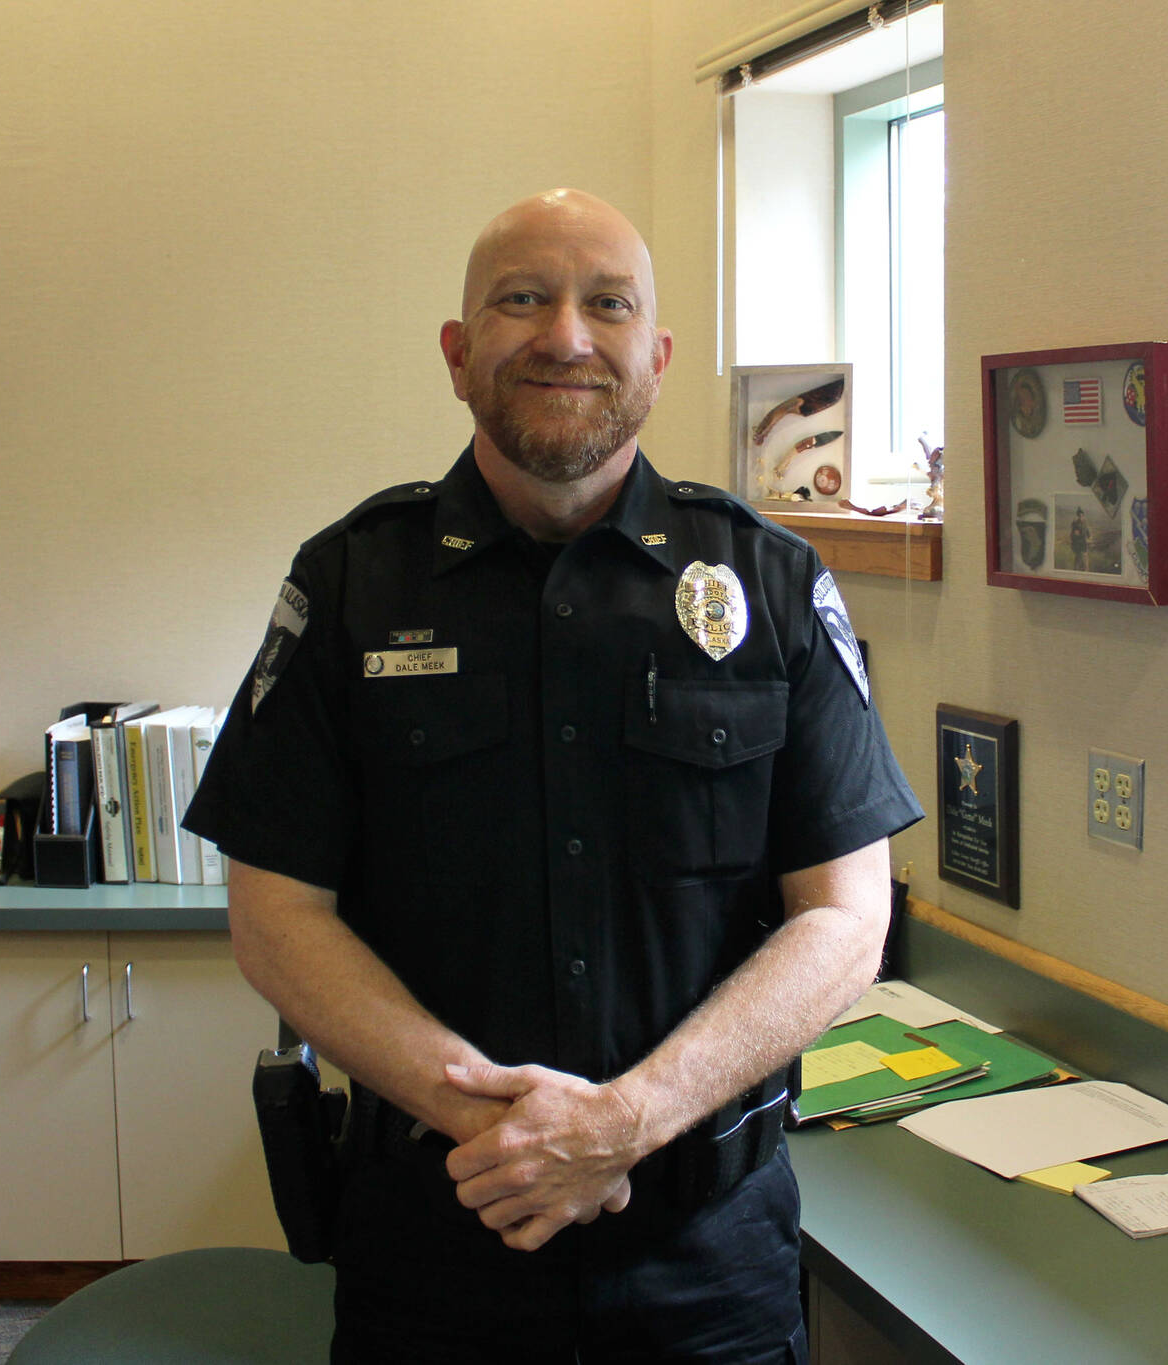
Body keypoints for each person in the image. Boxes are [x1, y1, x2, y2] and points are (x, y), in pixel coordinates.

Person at [184, 188, 922, 1364]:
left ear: (656, 357)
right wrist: (510, 1133)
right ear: (455, 351)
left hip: (706, 1263)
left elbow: (845, 914)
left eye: (606, 304)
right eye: (520, 299)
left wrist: (624, 1123)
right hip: (434, 1253)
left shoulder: (770, 585)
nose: (565, 336)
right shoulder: (350, 587)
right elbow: (274, 916)